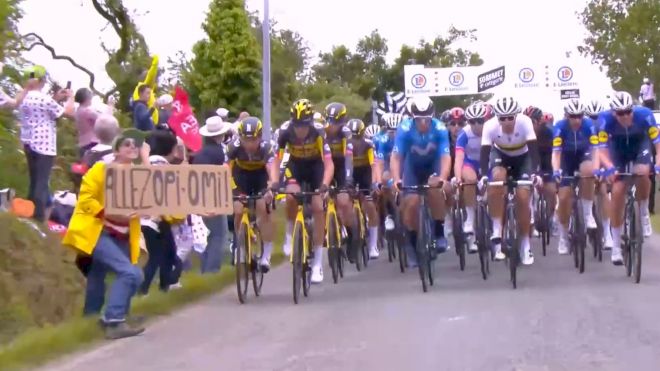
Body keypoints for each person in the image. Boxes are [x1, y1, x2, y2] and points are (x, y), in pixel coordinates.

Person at [63, 129, 149, 339]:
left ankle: (97, 317)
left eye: (135, 145)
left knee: (105, 275)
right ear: (117, 149)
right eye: (127, 144)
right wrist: (105, 211)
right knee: (129, 273)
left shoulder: (136, 173)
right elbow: (85, 198)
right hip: (99, 230)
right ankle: (113, 320)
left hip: (123, 233)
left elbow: (154, 188)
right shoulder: (102, 168)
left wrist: (146, 158)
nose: (132, 148)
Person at [274, 99, 334, 283]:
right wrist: (277, 180)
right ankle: (289, 233)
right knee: (291, 196)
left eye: (304, 125)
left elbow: (329, 163)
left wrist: (324, 184)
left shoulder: (318, 133)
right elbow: (280, 159)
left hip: (315, 167)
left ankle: (317, 264)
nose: (300, 130)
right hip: (295, 166)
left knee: (317, 206)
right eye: (297, 125)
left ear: (310, 122)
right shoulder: (285, 133)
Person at [597, 91, 659, 265]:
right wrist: (609, 167)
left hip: (640, 145)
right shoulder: (604, 120)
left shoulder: (645, 115)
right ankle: (616, 246)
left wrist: (659, 163)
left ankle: (644, 211)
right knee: (617, 193)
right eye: (620, 113)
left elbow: (657, 144)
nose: (625, 116)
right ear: (613, 113)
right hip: (617, 151)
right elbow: (601, 149)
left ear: (633, 109)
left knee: (643, 172)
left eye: (628, 112)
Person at [391, 96, 451, 267]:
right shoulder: (404, 128)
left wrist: (443, 178)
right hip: (412, 168)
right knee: (411, 202)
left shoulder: (440, 128)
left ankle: (439, 232)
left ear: (432, 116)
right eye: (419, 119)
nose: (424, 123)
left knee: (435, 187)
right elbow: (396, 157)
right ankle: (411, 244)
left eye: (427, 119)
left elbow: (446, 157)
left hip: (433, 165)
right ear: (412, 118)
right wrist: (396, 179)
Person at [479, 96, 540, 265]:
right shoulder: (489, 126)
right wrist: (484, 175)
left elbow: (534, 150)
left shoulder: (525, 122)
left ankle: (526, 246)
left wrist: (535, 173)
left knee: (522, 197)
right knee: (496, 179)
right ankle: (497, 227)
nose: (506, 122)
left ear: (516, 116)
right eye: (502, 118)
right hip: (501, 155)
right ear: (497, 118)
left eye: (510, 118)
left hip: (523, 157)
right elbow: (484, 153)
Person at [19, 65, 76, 222]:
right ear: (41, 80)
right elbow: (69, 113)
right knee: (42, 182)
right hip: (44, 144)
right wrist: (71, 97)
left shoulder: (24, 98)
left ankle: (28, 213)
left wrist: (56, 98)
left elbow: (46, 111)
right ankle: (37, 217)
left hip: (28, 142)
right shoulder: (43, 99)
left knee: (34, 180)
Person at [228, 117, 278, 270]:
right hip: (240, 178)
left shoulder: (266, 148)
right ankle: (241, 247)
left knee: (263, 207)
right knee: (237, 210)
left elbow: (272, 170)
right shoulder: (233, 147)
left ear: (260, 137)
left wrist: (272, 187)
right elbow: (225, 170)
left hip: (260, 178)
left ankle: (266, 255)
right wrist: (232, 189)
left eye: (253, 139)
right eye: (245, 139)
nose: (249, 144)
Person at [139, 130, 186, 294]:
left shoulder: (147, 162)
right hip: (155, 220)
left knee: (168, 252)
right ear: (172, 149)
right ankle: (143, 290)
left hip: (147, 219)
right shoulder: (162, 166)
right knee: (157, 256)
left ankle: (165, 286)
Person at [552, 99, 599, 255]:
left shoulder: (589, 125)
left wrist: (596, 168)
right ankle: (563, 237)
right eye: (573, 116)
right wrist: (556, 170)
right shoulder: (559, 127)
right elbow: (556, 152)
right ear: (567, 116)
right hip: (566, 159)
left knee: (588, 170)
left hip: (583, 155)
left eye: (579, 116)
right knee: (564, 198)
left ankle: (587, 214)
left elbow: (595, 150)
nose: (577, 120)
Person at [194, 116, 230, 273]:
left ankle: (204, 268)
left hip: (198, 196)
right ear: (220, 135)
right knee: (218, 235)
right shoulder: (219, 153)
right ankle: (211, 270)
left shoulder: (200, 153)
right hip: (214, 196)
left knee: (205, 235)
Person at [323, 102, 359, 260]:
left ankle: (352, 236)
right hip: (326, 166)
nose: (332, 126)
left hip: (342, 168)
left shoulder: (346, 133)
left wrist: (349, 179)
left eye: (336, 123)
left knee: (344, 201)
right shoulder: (321, 131)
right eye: (330, 121)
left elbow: (349, 158)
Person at [453, 102, 487, 255]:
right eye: (472, 121)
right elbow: (459, 158)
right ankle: (470, 219)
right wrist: (458, 177)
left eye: (480, 121)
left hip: (488, 163)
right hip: (470, 163)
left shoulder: (492, 130)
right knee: (470, 180)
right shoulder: (464, 134)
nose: (476, 125)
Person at [346, 118, 380, 259]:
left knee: (370, 205)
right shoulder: (345, 144)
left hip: (365, 173)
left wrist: (374, 182)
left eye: (357, 136)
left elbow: (373, 165)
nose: (355, 140)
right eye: (352, 136)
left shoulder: (368, 145)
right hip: (351, 174)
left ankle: (373, 245)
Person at [524, 105, 556, 236]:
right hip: (530, 160)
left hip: (547, 160)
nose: (528, 125)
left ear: (539, 122)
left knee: (551, 190)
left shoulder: (548, 132)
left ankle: (551, 217)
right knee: (529, 189)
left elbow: (556, 153)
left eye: (531, 122)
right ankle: (532, 219)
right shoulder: (523, 132)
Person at [373, 113, 403, 231]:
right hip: (388, 167)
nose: (394, 134)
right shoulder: (384, 140)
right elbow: (379, 162)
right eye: (391, 131)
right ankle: (389, 214)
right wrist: (379, 181)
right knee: (385, 179)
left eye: (397, 131)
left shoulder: (408, 138)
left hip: (405, 166)